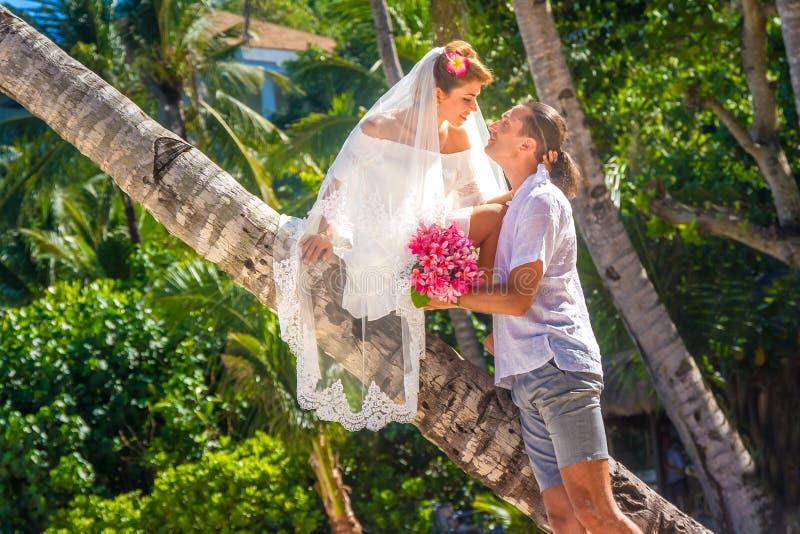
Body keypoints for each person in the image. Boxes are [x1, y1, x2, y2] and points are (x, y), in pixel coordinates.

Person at [425, 102, 643, 533]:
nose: (492, 122)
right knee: (563, 518)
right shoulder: (520, 201)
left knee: (598, 515)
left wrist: (449, 294)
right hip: (529, 374)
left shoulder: (542, 202)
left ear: (527, 144)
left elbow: (517, 299)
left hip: (557, 368)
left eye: (505, 122)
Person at [272, 42, 507, 431]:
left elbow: (477, 203)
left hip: (422, 248)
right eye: (468, 98)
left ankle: (486, 307)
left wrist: (519, 194)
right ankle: (468, 297)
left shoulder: (463, 140)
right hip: (377, 243)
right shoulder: (378, 127)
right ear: (437, 93)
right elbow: (339, 181)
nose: (474, 110)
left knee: (499, 215)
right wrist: (327, 230)